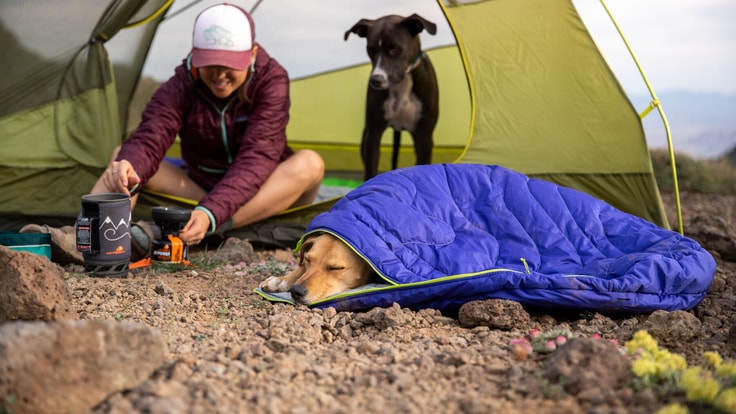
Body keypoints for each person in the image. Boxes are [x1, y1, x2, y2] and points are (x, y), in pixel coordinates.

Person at [23, 3, 324, 263]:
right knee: (126, 161)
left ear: (252, 54)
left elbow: (258, 158)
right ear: (195, 56)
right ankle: (88, 241)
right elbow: (151, 136)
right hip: (202, 191)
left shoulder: (272, 81)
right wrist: (130, 164)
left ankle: (214, 226)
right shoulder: (181, 84)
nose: (219, 75)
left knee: (310, 163)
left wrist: (212, 213)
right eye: (210, 65)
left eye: (229, 65)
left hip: (261, 195)